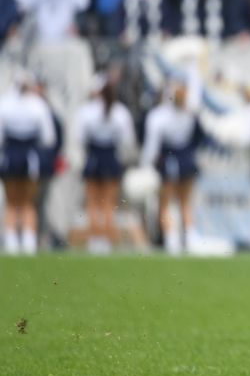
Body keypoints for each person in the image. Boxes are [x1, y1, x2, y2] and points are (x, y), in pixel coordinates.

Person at [75, 72, 137, 254]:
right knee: (109, 202)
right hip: (111, 157)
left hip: (94, 156)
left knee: (93, 202)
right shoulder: (120, 112)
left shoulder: (86, 111)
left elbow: (79, 138)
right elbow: (128, 140)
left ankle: (96, 240)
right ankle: (107, 241)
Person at [141, 75, 203, 255]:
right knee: (185, 202)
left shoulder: (158, 116)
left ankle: (171, 240)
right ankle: (188, 238)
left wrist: (145, 167)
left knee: (166, 202)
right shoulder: (189, 113)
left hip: (168, 160)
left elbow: (151, 148)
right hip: (186, 159)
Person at [0, 71, 57, 255]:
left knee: (11, 201)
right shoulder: (38, 105)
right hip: (30, 156)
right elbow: (48, 137)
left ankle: (12, 242)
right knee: (28, 201)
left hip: (11, 155)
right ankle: (28, 240)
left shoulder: (5, 104)